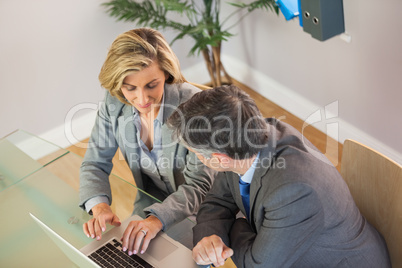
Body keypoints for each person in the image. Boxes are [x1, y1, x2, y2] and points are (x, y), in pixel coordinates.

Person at [167, 85, 391, 268]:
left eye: (196, 153)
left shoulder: (295, 192)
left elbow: (257, 265)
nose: (197, 158)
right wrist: (210, 236)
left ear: (219, 159)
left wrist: (234, 225)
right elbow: (216, 201)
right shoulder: (247, 136)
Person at [79, 28, 216, 257]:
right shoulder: (115, 102)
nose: (141, 99)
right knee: (124, 258)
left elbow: (199, 186)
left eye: (152, 85)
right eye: (130, 88)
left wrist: (157, 220)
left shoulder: (194, 107)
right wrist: (100, 207)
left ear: (167, 74)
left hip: (201, 209)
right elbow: (95, 162)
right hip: (150, 201)